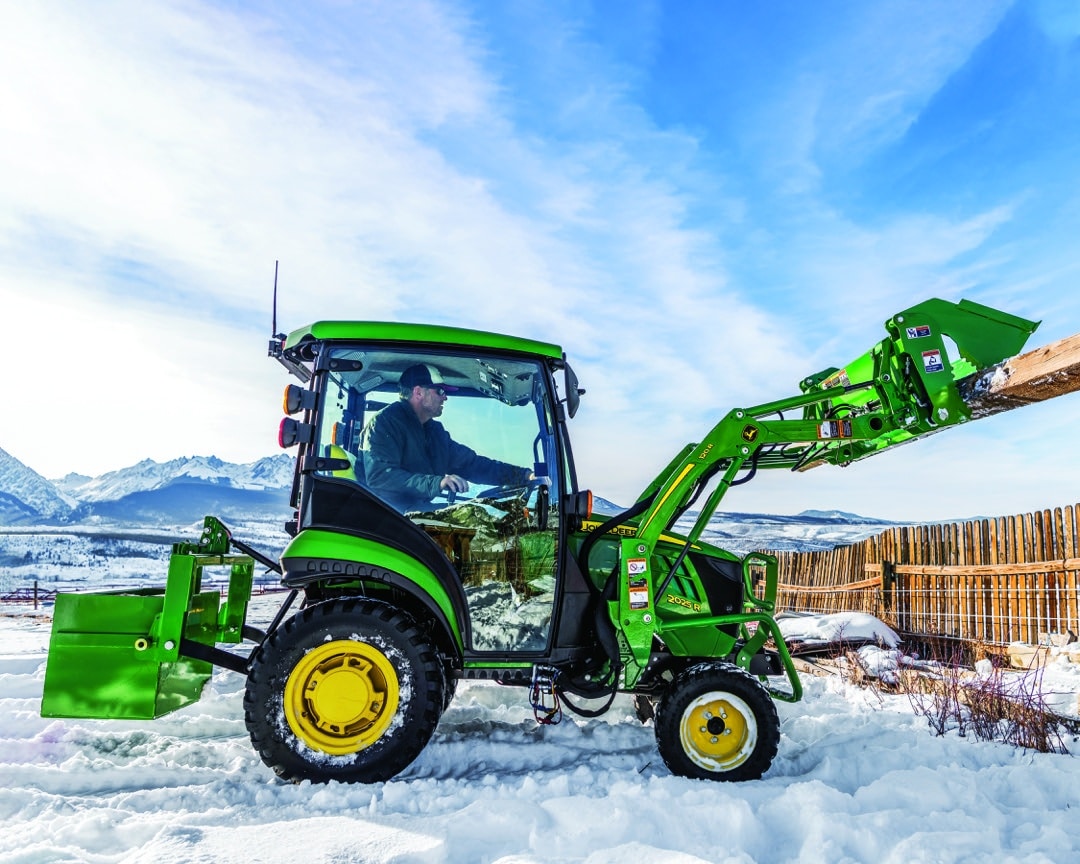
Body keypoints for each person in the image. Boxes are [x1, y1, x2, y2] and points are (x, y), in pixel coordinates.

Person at [361, 363, 534, 512]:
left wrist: (523, 476)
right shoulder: (385, 423)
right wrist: (437, 483)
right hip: (386, 516)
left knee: (479, 516)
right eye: (440, 391)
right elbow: (380, 477)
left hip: (414, 512)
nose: (445, 397)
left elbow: (472, 464)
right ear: (418, 392)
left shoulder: (434, 432)